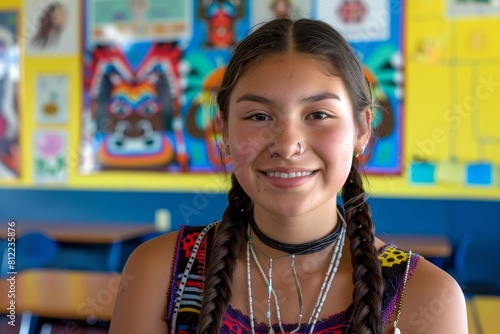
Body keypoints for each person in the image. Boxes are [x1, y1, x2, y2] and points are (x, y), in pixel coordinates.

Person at [109, 18, 468, 334]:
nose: (287, 144)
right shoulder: (162, 274)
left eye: (319, 115)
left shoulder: (423, 296)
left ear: (362, 129)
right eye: (259, 117)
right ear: (224, 133)